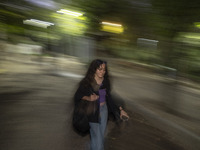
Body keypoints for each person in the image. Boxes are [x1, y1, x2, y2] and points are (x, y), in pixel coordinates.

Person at [74, 59, 129, 150]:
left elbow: (109, 98)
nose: (102, 72)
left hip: (103, 110)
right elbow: (78, 95)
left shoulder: (105, 82)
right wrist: (89, 98)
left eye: (104, 70)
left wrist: (120, 110)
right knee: (98, 141)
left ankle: (90, 146)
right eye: (100, 69)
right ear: (94, 69)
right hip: (92, 112)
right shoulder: (87, 82)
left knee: (101, 135)